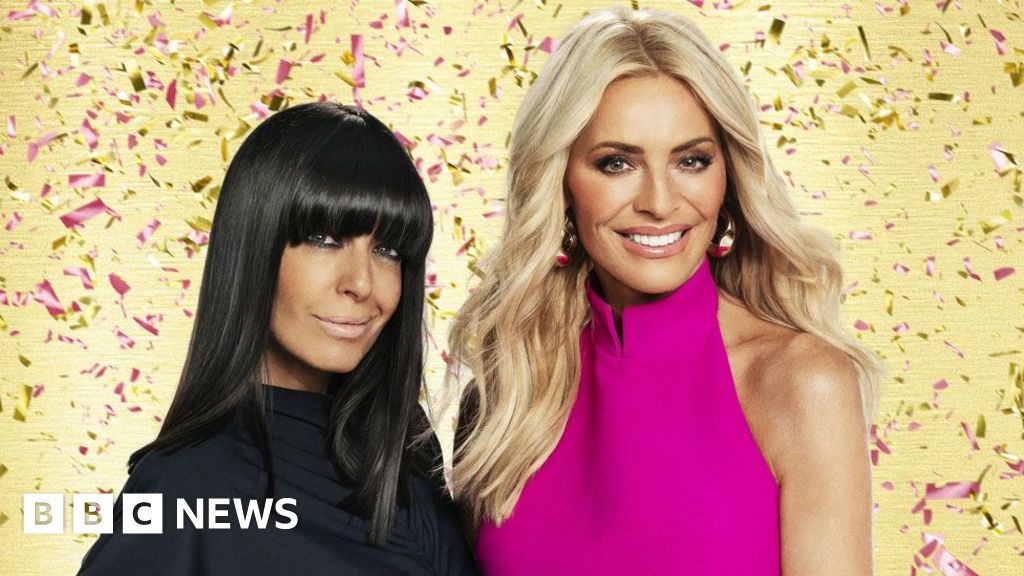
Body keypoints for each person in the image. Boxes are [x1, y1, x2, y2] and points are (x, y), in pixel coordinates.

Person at [447, 6, 886, 575]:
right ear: (560, 181)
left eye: (692, 161)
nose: (659, 202)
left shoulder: (802, 381)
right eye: (616, 164)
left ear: (728, 176)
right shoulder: (510, 390)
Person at [78, 102, 478, 575]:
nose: (362, 283)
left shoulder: (404, 444)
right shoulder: (186, 484)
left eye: (388, 250)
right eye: (325, 240)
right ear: (255, 246)